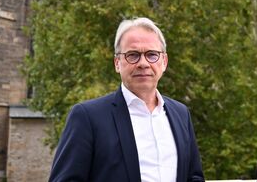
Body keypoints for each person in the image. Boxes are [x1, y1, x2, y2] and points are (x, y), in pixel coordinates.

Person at [49, 17, 204, 182]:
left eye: (152, 55)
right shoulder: (88, 117)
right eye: (133, 55)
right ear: (117, 63)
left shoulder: (180, 114)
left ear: (164, 62)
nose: (143, 63)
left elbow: (193, 176)